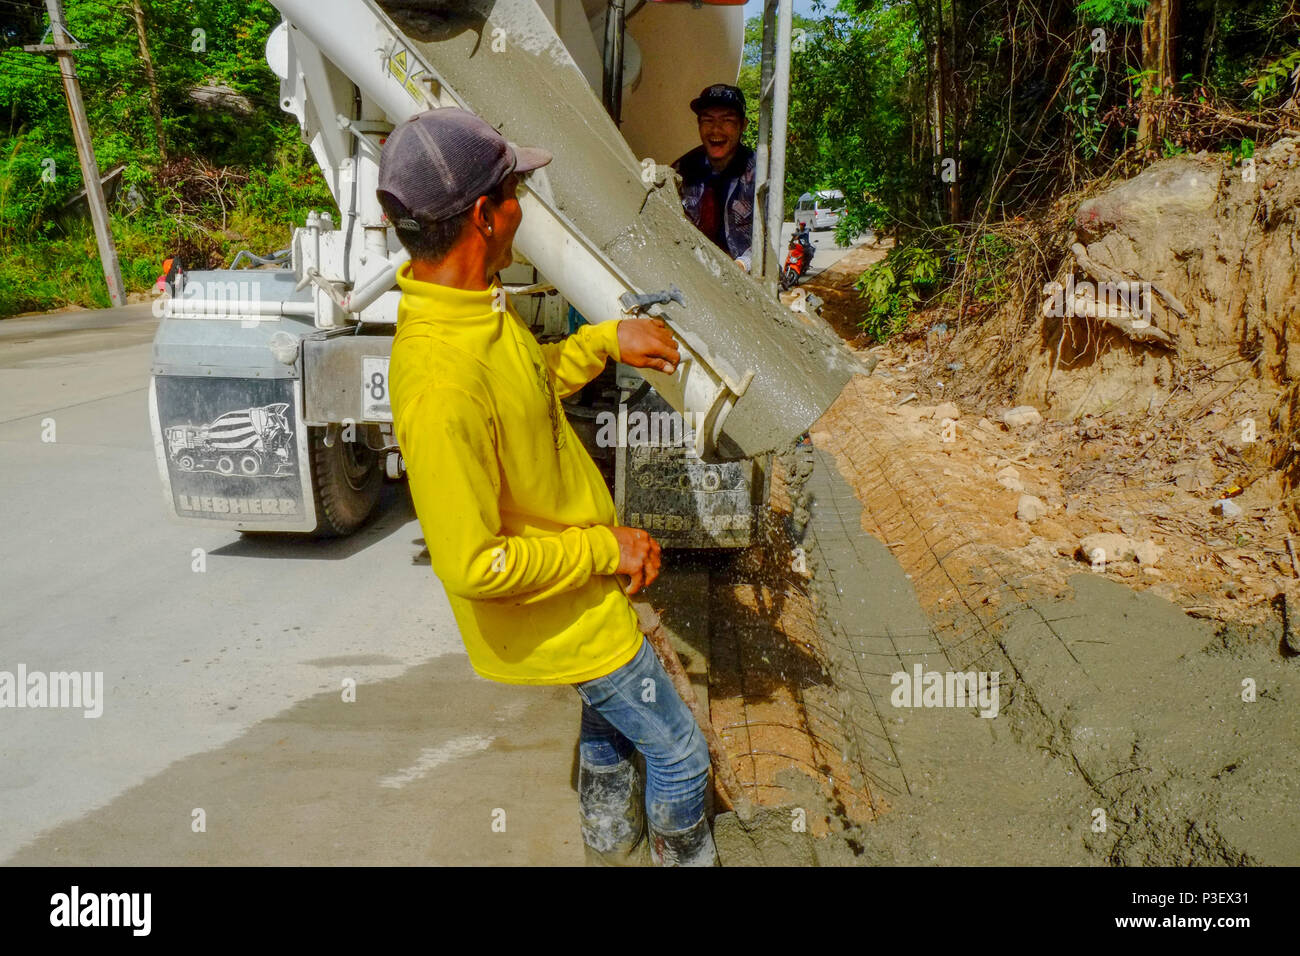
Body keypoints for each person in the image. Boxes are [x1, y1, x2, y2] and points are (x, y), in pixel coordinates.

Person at [378, 108, 719, 867]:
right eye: (514, 192)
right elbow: (474, 566)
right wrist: (605, 548)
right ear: (483, 216)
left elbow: (532, 389)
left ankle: (606, 848)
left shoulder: (477, 316)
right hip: (561, 615)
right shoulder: (440, 380)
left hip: (575, 597)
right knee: (681, 753)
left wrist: (603, 341)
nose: (523, 208)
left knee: (607, 726)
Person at [671, 84, 756, 272]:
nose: (716, 130)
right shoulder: (681, 170)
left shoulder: (760, 175)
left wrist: (741, 266)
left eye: (727, 120)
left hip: (744, 279)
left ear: (743, 125)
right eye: (708, 120)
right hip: (692, 271)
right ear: (699, 125)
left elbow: (767, 240)